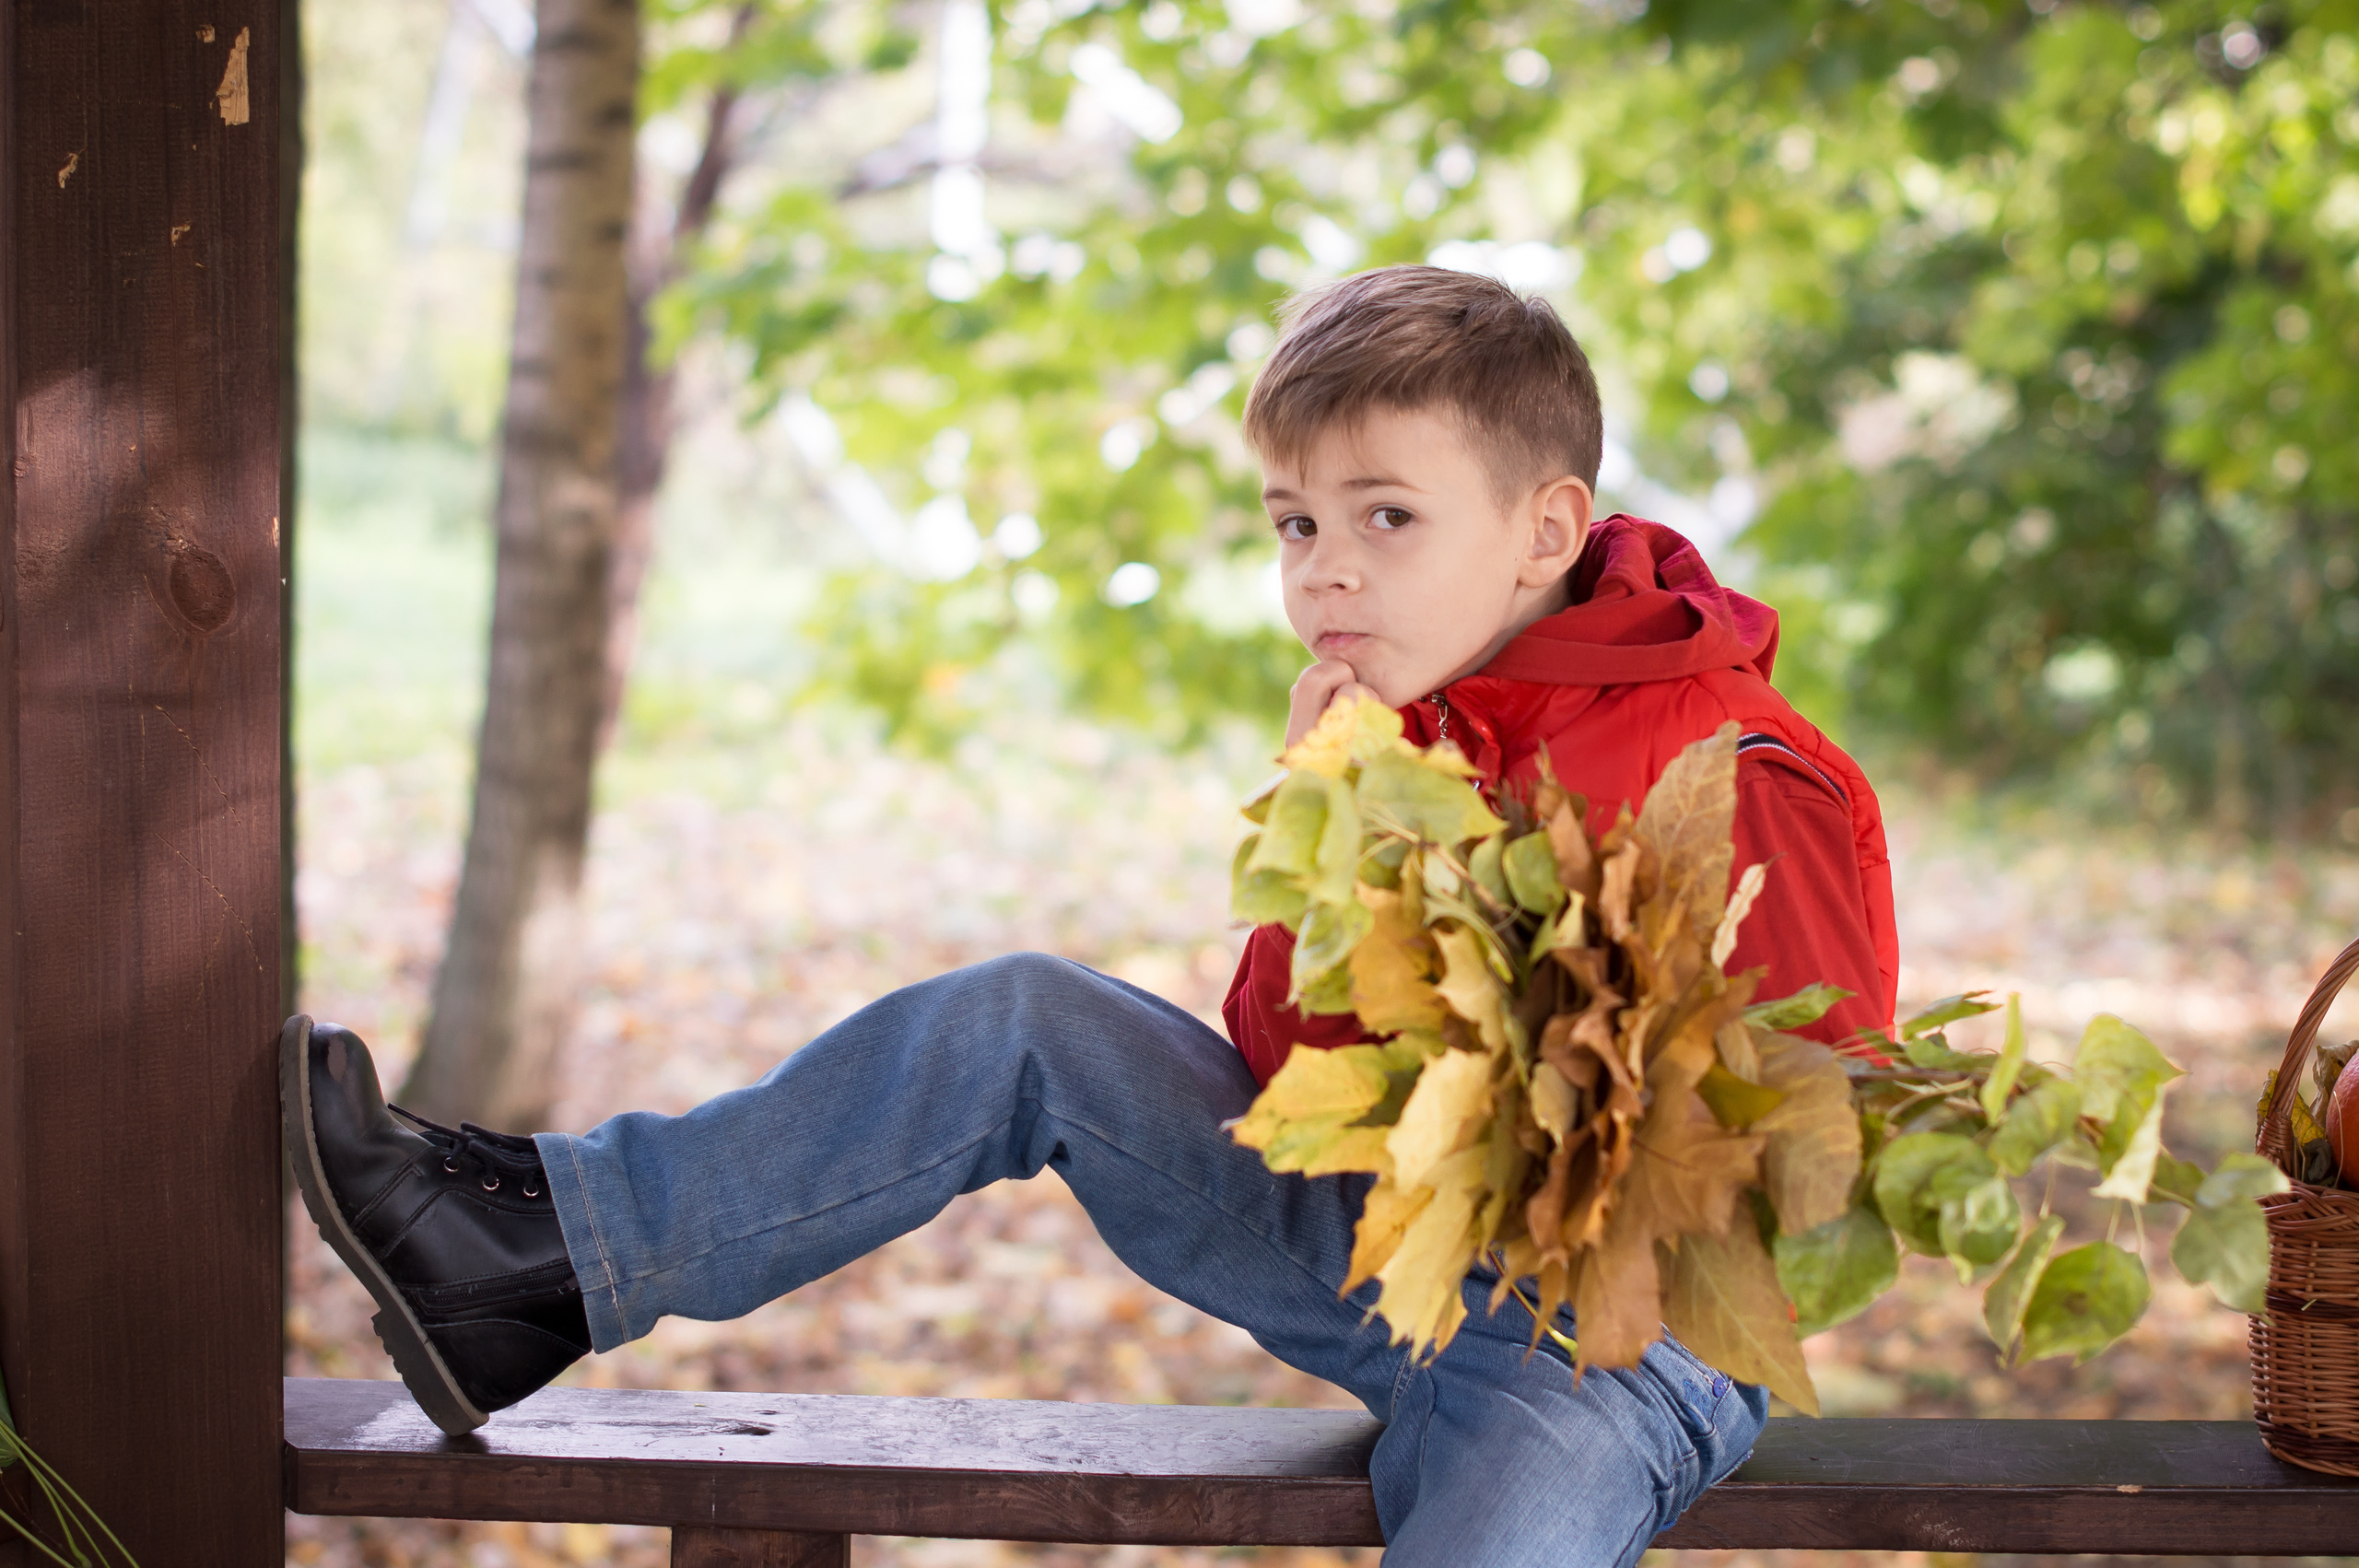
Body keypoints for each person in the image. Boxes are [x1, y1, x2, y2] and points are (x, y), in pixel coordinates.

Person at [284, 264, 1895, 1568]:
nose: (1326, 571)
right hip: (1381, 1257)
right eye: (1296, 522)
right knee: (1023, 1019)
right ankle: (537, 1259)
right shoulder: (1398, 718)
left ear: (1546, 527)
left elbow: (1813, 1156)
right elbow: (1290, 1084)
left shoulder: (1744, 765)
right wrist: (1334, 825)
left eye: (1386, 516)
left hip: (1613, 1343)